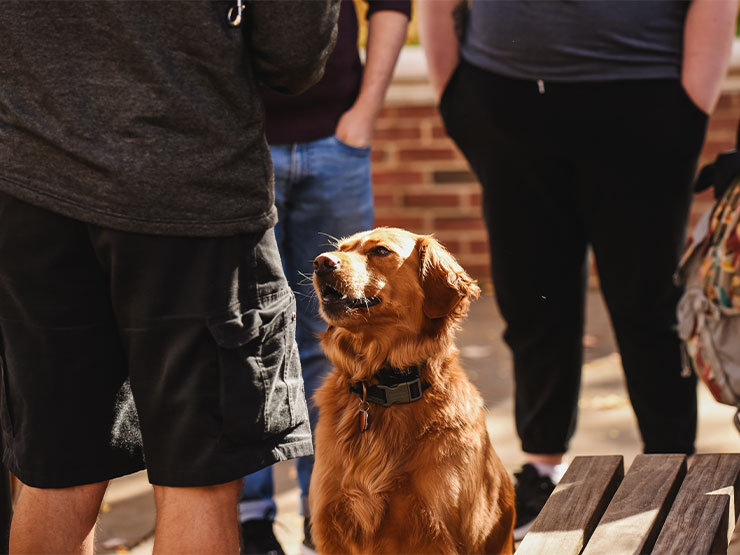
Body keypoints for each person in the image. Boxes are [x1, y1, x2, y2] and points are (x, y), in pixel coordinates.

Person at [0, 1, 339, 553]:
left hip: (30, 186)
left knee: (55, 467)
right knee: (199, 472)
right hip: (187, 190)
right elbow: (293, 54)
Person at [420, 0, 739, 540]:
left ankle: (673, 468)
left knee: (650, 305)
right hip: (505, 95)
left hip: (644, 97)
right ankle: (542, 466)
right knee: (532, 299)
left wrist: (690, 107)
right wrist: (453, 94)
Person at [236, 2, 410, 553]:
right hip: (240, 148)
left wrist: (365, 113)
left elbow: (392, 5)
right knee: (242, 337)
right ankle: (251, 516)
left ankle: (328, 512)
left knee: (338, 338)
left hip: (337, 143)